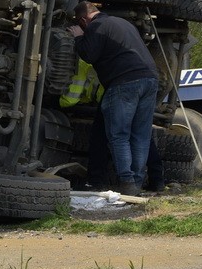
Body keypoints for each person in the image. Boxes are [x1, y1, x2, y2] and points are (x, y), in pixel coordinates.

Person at [69, 1, 159, 195]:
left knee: (119, 134)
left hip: (124, 82)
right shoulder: (123, 23)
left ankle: (126, 181)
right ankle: (136, 182)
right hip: (150, 79)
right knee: (141, 135)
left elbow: (89, 55)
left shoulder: (96, 26)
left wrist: (78, 37)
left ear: (84, 19)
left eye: (80, 23)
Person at [60, 58, 165, 193]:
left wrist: (58, 103)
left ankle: (98, 182)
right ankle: (157, 180)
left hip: (116, 91)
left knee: (104, 136)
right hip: (143, 80)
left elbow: (71, 98)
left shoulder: (82, 61)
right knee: (141, 134)